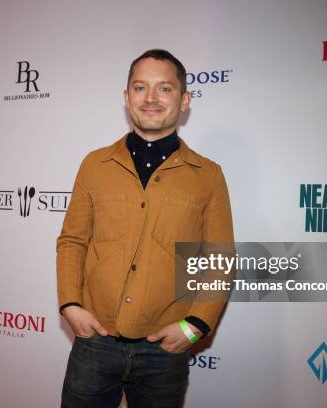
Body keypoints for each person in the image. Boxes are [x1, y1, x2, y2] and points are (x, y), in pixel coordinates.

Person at [57, 49, 234, 408]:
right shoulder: (94, 164)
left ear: (184, 100)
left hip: (164, 352)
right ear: (127, 98)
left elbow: (219, 257)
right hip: (94, 341)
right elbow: (73, 240)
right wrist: (71, 305)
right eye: (140, 87)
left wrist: (194, 325)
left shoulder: (208, 175)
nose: (151, 98)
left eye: (164, 89)